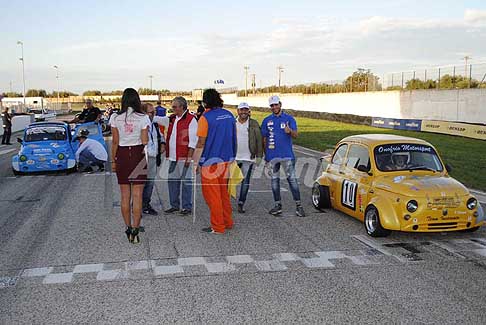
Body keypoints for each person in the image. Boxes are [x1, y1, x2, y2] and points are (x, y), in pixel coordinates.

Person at [193, 89, 237, 234]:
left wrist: (195, 162)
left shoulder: (205, 118)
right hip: (226, 160)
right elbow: (233, 137)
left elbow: (200, 143)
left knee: (213, 196)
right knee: (223, 193)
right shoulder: (229, 115)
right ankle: (227, 221)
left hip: (210, 162)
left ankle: (218, 226)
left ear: (206, 101)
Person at [111, 88, 150, 244]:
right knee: (137, 196)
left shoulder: (115, 117)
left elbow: (114, 141)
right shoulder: (143, 117)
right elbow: (145, 140)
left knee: (125, 195)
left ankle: (127, 227)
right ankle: (135, 228)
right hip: (137, 154)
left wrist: (113, 161)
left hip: (121, 155)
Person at [262, 95, 305, 217]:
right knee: (274, 182)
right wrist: (266, 156)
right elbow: (264, 139)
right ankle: (278, 205)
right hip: (272, 156)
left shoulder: (289, 119)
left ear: (280, 104)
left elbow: (296, 135)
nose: (274, 107)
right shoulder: (266, 120)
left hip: (287, 156)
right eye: (272, 105)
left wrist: (290, 131)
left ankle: (299, 206)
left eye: (276, 104)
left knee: (292, 180)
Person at [164, 97, 198, 215]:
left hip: (184, 157)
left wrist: (189, 158)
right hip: (173, 157)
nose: (172, 109)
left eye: (174, 106)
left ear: (182, 107)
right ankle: (174, 205)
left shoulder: (191, 120)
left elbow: (193, 142)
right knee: (172, 182)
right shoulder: (173, 118)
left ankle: (187, 207)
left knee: (186, 182)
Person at [235, 102, 263, 213]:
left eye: (245, 110)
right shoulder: (232, 123)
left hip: (248, 157)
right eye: (241, 110)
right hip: (234, 157)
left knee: (245, 182)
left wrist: (259, 156)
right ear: (238, 111)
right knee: (229, 181)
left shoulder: (254, 123)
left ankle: (241, 202)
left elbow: (259, 140)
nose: (243, 112)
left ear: (249, 111)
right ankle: (226, 201)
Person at [141, 102, 169, 216]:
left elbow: (160, 136)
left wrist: (162, 144)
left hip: (153, 157)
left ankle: (145, 204)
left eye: (154, 112)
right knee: (140, 184)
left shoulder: (154, 124)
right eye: (151, 112)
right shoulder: (140, 125)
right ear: (143, 113)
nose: (154, 114)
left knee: (150, 183)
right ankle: (138, 205)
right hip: (142, 158)